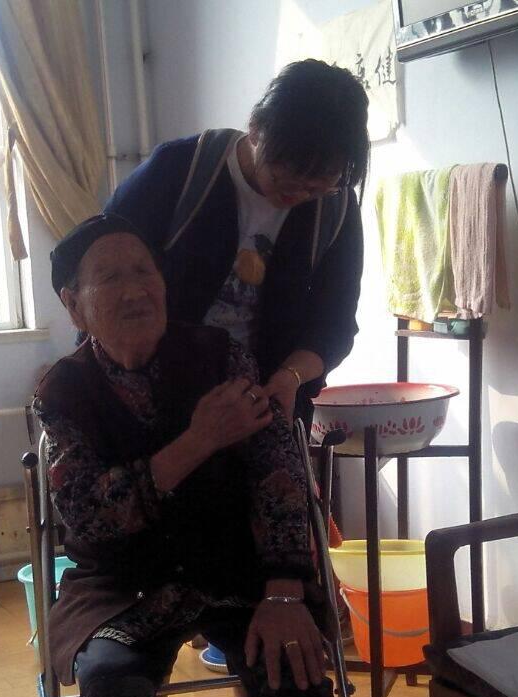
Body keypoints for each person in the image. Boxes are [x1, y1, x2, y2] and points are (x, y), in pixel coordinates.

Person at [34, 214, 337, 697]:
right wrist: (199, 440)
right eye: (110, 277)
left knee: (297, 686)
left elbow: (278, 474)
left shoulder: (221, 359)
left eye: (144, 271)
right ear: (74, 306)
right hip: (120, 588)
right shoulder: (62, 393)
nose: (136, 291)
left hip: (234, 572)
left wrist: (284, 592)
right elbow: (90, 518)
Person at [105, 59, 369, 429]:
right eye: (285, 178)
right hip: (153, 396)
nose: (298, 195)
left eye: (316, 187)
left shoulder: (335, 208)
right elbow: (96, 265)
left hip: (262, 403)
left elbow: (335, 324)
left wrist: (291, 376)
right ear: (256, 129)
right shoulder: (180, 169)